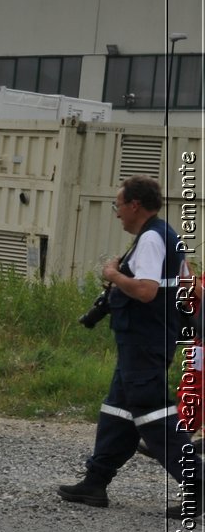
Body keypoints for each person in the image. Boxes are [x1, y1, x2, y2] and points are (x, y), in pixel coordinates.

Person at [59, 176, 200, 514]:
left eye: (118, 205)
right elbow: (188, 283)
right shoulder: (165, 234)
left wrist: (113, 275)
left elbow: (147, 291)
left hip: (145, 341)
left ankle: (197, 486)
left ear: (134, 205)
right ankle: (95, 483)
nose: (117, 212)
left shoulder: (152, 239)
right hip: (143, 341)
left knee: (154, 417)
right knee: (118, 412)